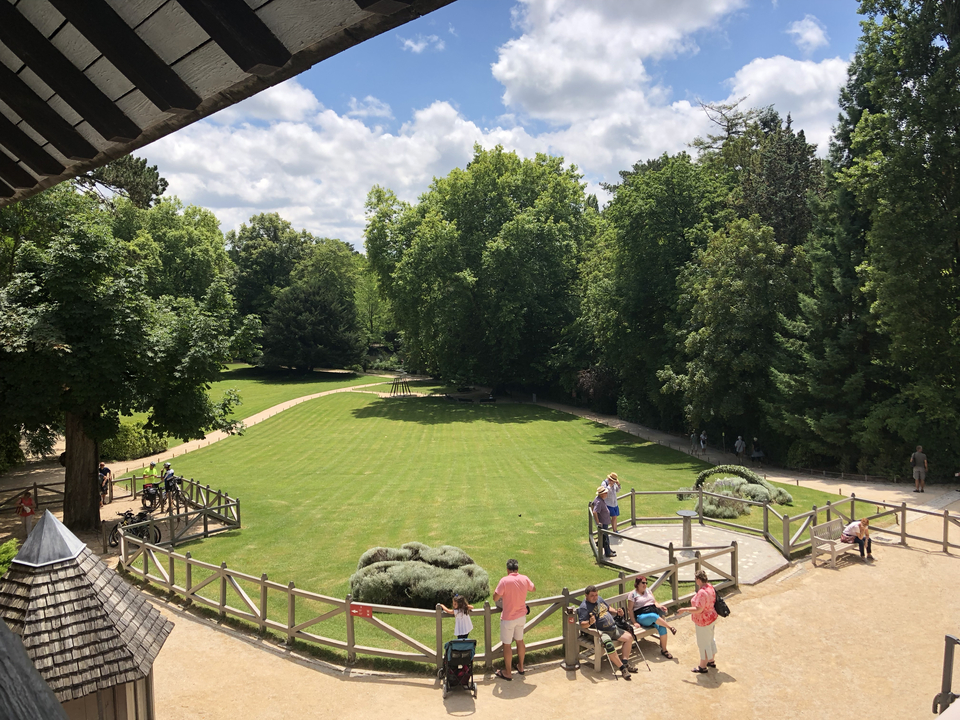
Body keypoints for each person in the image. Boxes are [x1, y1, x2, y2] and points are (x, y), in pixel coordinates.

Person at [577, 585, 637, 680]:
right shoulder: (584, 608)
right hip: (601, 632)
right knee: (609, 645)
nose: (595, 597)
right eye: (592, 595)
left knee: (629, 637)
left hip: (613, 628)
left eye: (596, 595)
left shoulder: (599, 599)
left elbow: (608, 608)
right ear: (586, 595)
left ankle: (625, 663)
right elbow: (582, 624)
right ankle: (623, 669)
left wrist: (617, 612)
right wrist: (590, 622)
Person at [492, 559, 535, 680]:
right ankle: (521, 667)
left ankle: (508, 672)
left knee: (507, 645)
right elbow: (533, 588)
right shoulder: (524, 578)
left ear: (507, 570)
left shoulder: (504, 580)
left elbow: (495, 598)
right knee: (520, 641)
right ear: (517, 569)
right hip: (521, 616)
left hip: (508, 618)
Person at [627, 576, 677, 659]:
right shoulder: (632, 594)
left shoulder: (648, 591)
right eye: (643, 583)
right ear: (637, 584)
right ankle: (670, 627)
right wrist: (634, 622)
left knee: (662, 627)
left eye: (646, 583)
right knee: (653, 616)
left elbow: (654, 602)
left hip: (653, 613)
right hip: (642, 616)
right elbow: (630, 609)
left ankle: (664, 650)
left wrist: (660, 606)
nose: (645, 584)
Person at [678, 570, 717, 674]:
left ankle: (702, 666)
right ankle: (711, 660)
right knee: (710, 639)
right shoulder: (710, 587)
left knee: (703, 643)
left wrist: (685, 609)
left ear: (699, 580)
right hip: (711, 617)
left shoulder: (702, 592)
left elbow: (699, 609)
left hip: (703, 621)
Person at [592, 486, 615, 558]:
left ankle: (608, 549)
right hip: (603, 523)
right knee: (605, 538)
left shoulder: (599, 499)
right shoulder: (599, 502)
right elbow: (595, 512)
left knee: (605, 537)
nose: (607, 494)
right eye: (605, 493)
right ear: (602, 494)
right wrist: (598, 522)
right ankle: (608, 552)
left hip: (604, 522)